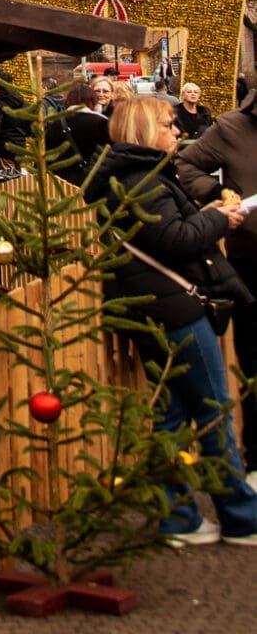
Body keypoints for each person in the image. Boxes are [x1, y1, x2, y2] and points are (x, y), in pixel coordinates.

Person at [85, 93, 257, 545]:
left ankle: (177, 515)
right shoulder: (143, 178)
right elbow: (175, 239)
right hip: (174, 309)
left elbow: (166, 233)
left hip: (153, 304)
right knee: (213, 410)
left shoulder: (134, 175)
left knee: (173, 415)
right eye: (168, 124)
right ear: (145, 130)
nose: (177, 130)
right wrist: (220, 219)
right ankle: (241, 516)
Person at [176, 79, 257, 478]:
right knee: (255, 359)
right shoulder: (231, 127)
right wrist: (220, 192)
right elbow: (185, 164)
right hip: (253, 258)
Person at [44, 78, 110, 185]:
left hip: (59, 183)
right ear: (93, 101)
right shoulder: (100, 122)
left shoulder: (56, 123)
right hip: (93, 182)